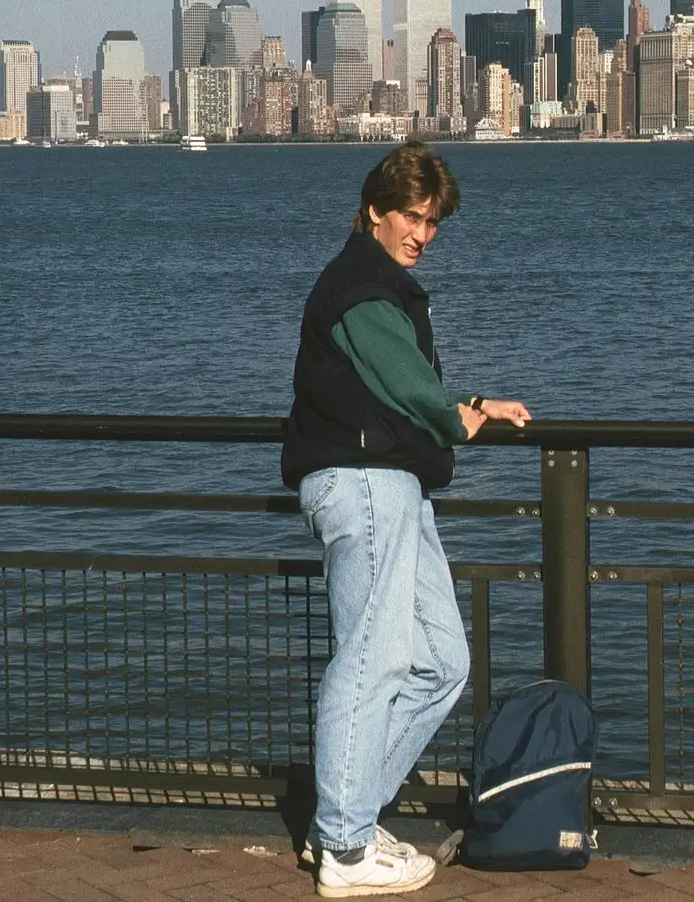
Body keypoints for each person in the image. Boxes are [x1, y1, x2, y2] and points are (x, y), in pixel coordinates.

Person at [281, 141, 531, 898]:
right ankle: (346, 848)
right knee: (372, 658)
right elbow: (410, 383)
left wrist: (469, 406)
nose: (423, 234)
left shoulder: (374, 284)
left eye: (432, 222)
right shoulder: (360, 286)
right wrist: (460, 416)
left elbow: (399, 382)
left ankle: (346, 820)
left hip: (394, 485)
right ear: (375, 212)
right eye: (412, 218)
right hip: (363, 483)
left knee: (442, 662)